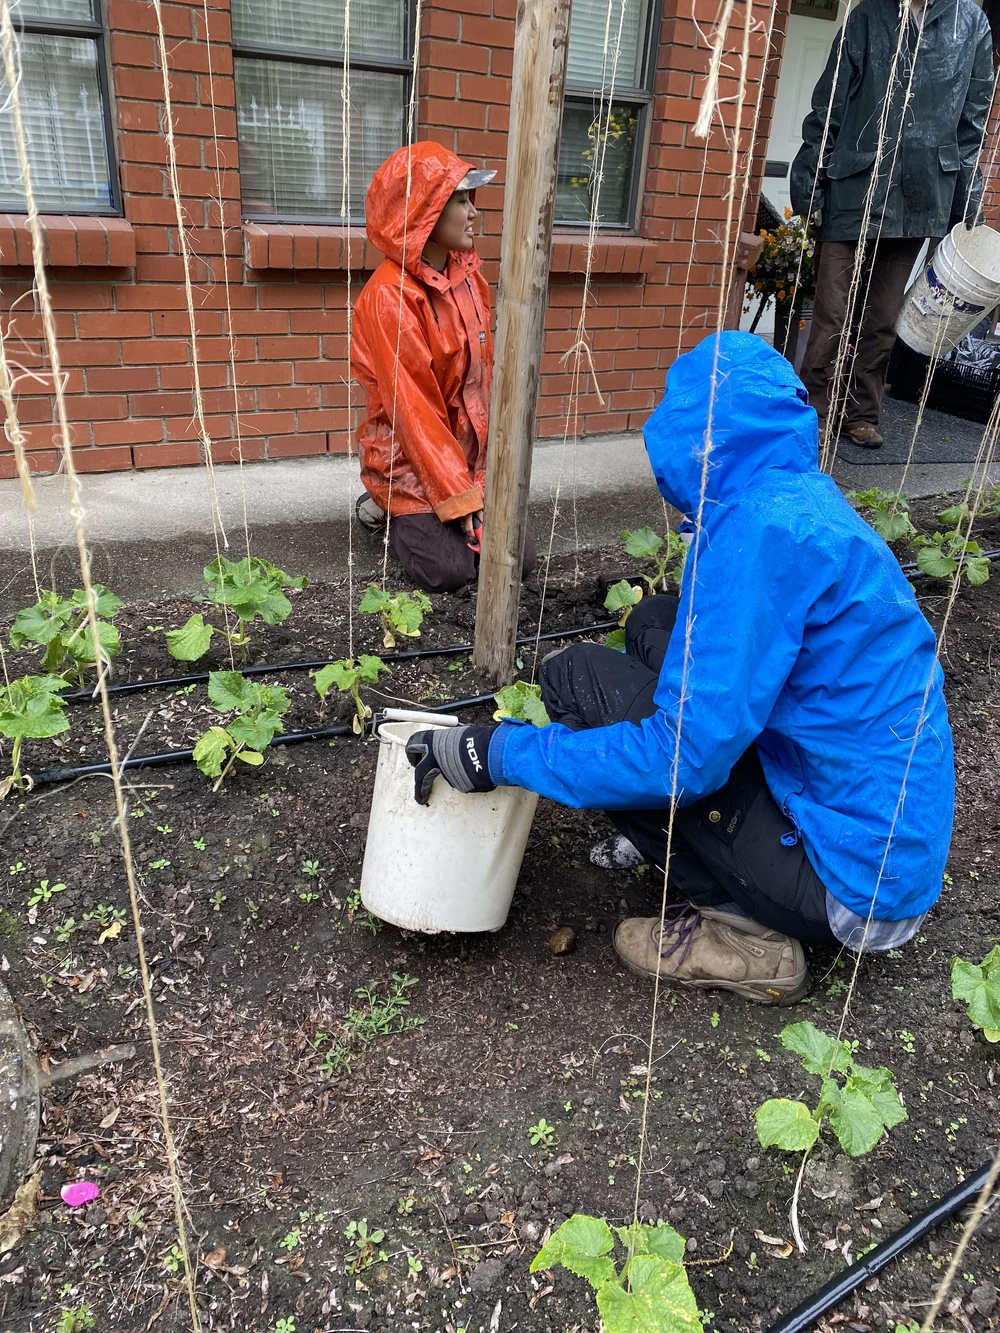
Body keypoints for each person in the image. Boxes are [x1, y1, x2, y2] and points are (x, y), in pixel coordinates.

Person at [404, 332, 955, 1005]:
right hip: (889, 844)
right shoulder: (796, 499)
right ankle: (718, 852)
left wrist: (501, 751)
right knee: (653, 624)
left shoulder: (756, 535)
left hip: (846, 882)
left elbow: (680, 759)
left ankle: (747, 935)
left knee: (577, 679)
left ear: (697, 439)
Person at [790, 0, 993, 449]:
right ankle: (812, 413)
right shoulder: (867, 17)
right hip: (852, 189)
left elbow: (971, 122)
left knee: (882, 317)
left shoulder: (972, 23)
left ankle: (860, 412)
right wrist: (811, 179)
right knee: (831, 316)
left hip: (918, 194)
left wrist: (967, 195)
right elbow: (830, 104)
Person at [352, 141, 536, 592]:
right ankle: (385, 507)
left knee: (519, 559)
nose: (473, 213)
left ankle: (439, 511)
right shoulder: (390, 298)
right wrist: (460, 501)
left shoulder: (470, 278)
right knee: (449, 572)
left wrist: (482, 482)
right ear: (423, 212)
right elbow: (415, 416)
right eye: (460, 201)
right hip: (410, 462)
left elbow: (483, 382)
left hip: (465, 457)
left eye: (471, 200)